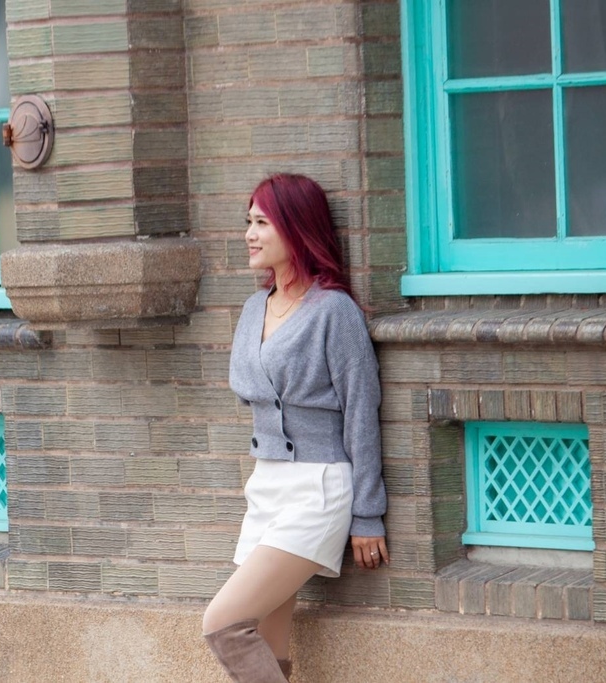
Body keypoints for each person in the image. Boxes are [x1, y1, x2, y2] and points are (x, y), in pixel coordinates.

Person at [202, 173, 389, 682]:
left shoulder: (334, 311)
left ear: (296, 227)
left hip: (318, 487)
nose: (250, 234)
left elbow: (361, 412)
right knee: (266, 641)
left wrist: (367, 515)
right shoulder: (253, 309)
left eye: (262, 222)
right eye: (249, 222)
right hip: (266, 484)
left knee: (223, 622)